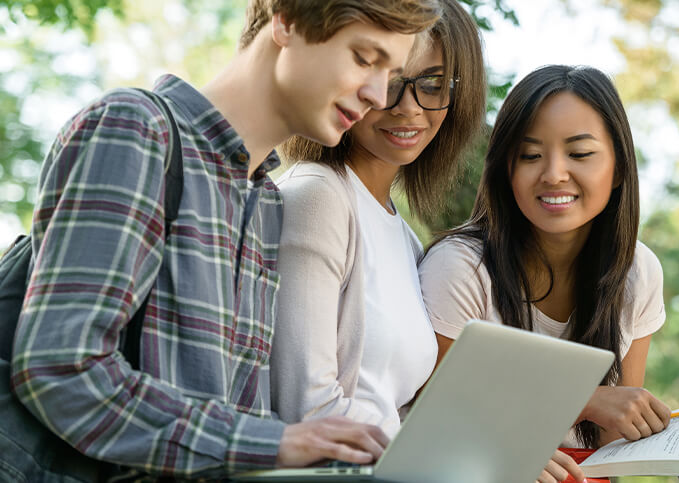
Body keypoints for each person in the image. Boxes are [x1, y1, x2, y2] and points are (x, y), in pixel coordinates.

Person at [8, 0, 441, 478]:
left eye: (391, 71)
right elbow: (62, 368)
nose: (380, 96)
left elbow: (234, 425)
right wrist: (274, 441)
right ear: (287, 19)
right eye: (364, 58)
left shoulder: (266, 204)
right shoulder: (137, 131)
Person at [418, 64, 672, 483]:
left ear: (620, 169)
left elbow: (614, 439)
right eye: (531, 155)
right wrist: (583, 400)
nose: (553, 173)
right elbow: (434, 410)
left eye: (580, 154)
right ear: (506, 170)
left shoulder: (637, 272)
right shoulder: (460, 267)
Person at [270, 0, 486, 437]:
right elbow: (305, 410)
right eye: (389, 79)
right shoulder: (317, 197)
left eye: (433, 83)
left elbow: (394, 411)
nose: (408, 107)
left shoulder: (405, 239)